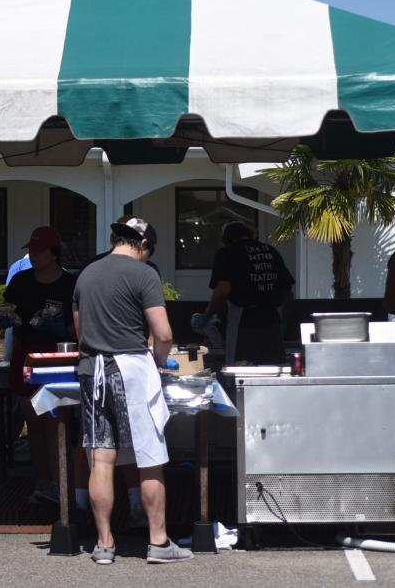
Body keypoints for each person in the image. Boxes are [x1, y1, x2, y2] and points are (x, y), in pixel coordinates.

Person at [73, 218, 192, 565]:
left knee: (102, 458)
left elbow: (80, 332)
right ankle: (158, 542)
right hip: (131, 371)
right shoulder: (145, 274)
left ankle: (104, 544)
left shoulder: (86, 274)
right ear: (143, 246)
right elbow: (164, 333)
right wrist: (159, 360)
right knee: (150, 459)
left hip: (92, 369)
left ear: (115, 239)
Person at [2, 226, 78, 506]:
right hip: (26, 356)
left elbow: (76, 325)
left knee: (57, 422)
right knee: (33, 421)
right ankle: (43, 481)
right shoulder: (20, 281)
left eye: (38, 250)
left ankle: (63, 485)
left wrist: (62, 327)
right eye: (30, 250)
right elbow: (7, 311)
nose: (32, 255)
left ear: (54, 253)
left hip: (60, 357)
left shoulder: (70, 284)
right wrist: (6, 319)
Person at [203, 220, 294, 365]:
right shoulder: (271, 251)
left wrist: (206, 316)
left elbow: (222, 290)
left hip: (244, 324)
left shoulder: (227, 253)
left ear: (226, 239)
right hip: (273, 322)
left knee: (241, 374)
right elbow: (288, 291)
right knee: (273, 373)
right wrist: (282, 320)